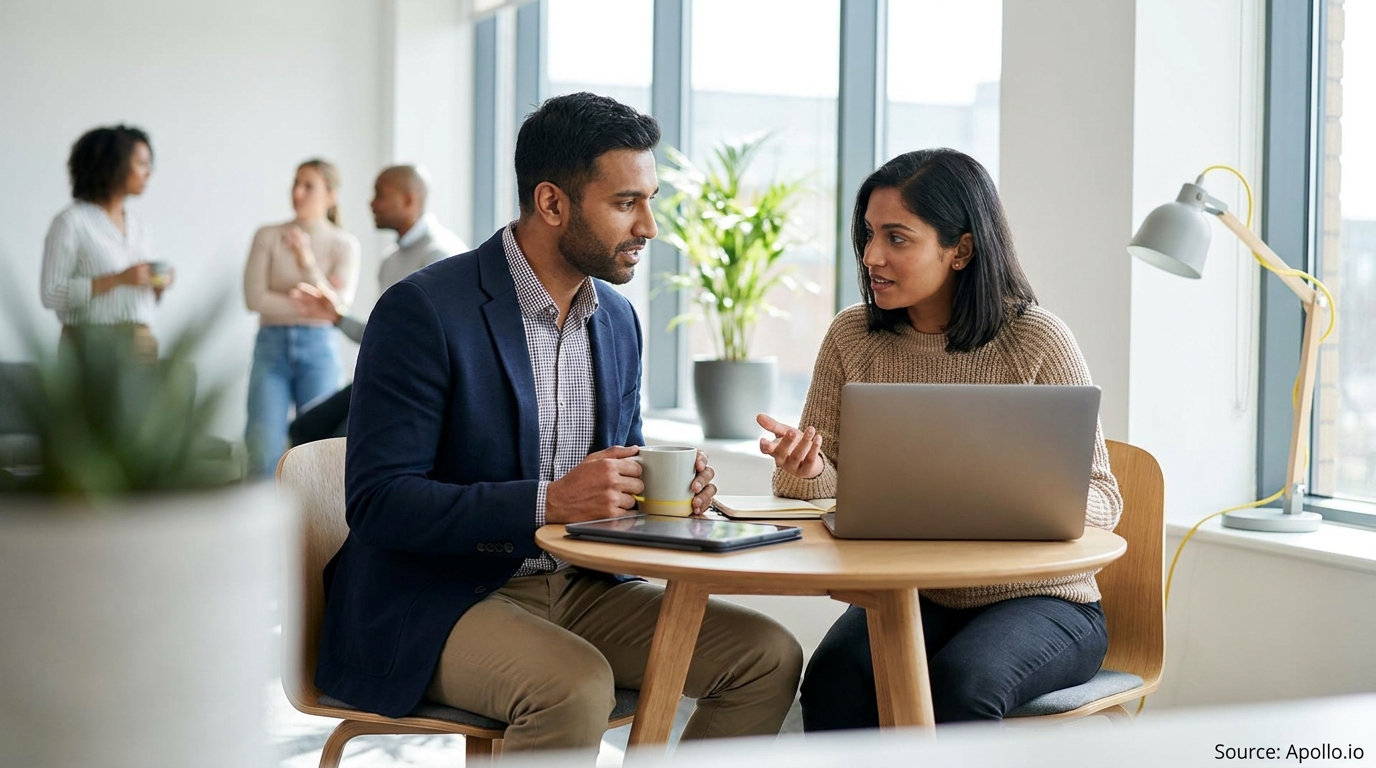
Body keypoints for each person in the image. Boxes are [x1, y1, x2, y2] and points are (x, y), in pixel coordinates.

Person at [317, 92, 803, 755]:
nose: (650, 227)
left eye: (650, 200)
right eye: (627, 203)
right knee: (572, 685)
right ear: (552, 204)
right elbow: (378, 504)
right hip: (436, 597)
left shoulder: (618, 322)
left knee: (766, 655)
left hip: (581, 585)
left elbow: (614, 483)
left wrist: (665, 494)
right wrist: (548, 502)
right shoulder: (424, 311)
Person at [759, 148, 1123, 730]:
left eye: (897, 238)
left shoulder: (1035, 340)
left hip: (1044, 602)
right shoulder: (853, 337)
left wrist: (1014, 499)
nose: (872, 256)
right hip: (910, 594)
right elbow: (830, 486)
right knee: (834, 682)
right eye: (869, 234)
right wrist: (806, 471)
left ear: (962, 249)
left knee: (961, 687)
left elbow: (1105, 500)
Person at [285, 165, 466, 445]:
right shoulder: (391, 260)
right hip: (383, 377)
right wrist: (337, 317)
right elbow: (384, 332)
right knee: (303, 430)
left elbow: (443, 345)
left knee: (335, 447)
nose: (371, 202)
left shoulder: (441, 255)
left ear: (408, 200)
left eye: (379, 195)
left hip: (412, 387)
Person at [242, 159, 359, 477]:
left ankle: (314, 528)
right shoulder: (267, 236)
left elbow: (338, 306)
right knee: (261, 451)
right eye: (295, 183)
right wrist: (315, 305)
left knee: (319, 454)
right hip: (271, 348)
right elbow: (255, 299)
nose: (297, 192)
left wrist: (306, 261)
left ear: (331, 195)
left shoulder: (344, 244)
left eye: (308, 186)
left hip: (318, 349)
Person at [40, 125, 172, 361]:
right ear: (114, 166)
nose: (148, 173)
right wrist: (118, 279)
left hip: (141, 345)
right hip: (89, 348)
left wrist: (156, 287)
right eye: (141, 164)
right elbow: (51, 294)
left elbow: (139, 297)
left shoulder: (140, 227)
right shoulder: (71, 222)